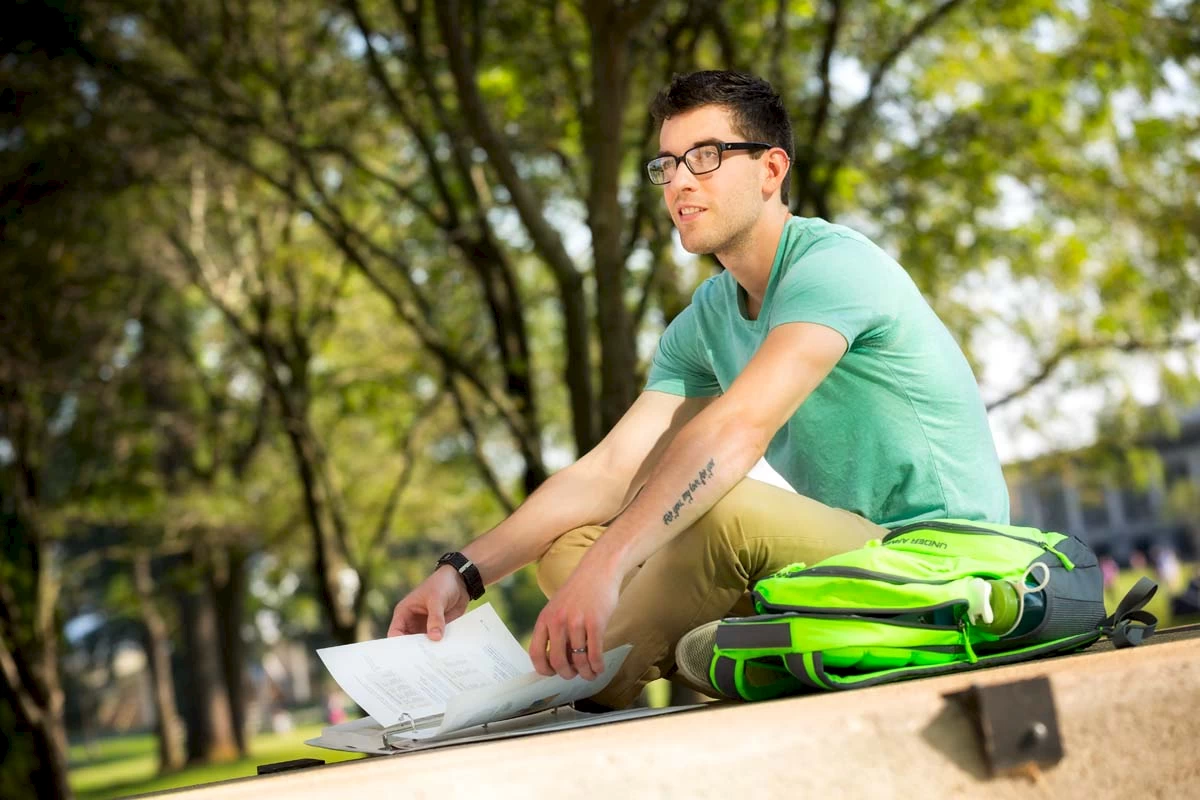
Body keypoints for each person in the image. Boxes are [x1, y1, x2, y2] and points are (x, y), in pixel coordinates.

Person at [388, 70, 1009, 709]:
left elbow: (736, 431)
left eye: (706, 158)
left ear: (771, 171)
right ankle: (751, 654)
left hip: (944, 568)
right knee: (567, 550)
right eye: (668, 164)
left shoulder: (834, 267)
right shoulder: (706, 320)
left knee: (722, 516)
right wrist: (460, 574)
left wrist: (608, 572)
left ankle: (532, 700)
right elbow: (606, 472)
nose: (680, 180)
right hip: (843, 569)